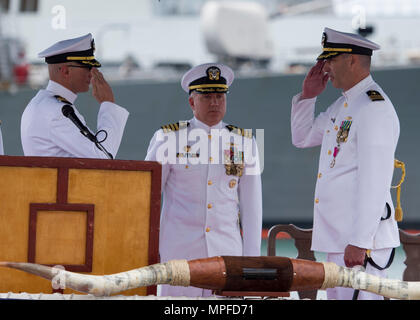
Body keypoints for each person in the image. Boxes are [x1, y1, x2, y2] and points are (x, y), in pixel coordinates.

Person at [291, 27, 400, 300]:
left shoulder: (374, 107)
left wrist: (360, 241)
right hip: (341, 238)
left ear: (351, 60)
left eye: (331, 60)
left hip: (361, 242)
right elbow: (302, 137)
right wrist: (308, 96)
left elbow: (375, 179)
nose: (326, 68)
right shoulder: (343, 106)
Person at [145, 63, 263, 297]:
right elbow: (147, 198)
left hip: (227, 254)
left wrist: (250, 263)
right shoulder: (168, 138)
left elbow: (252, 208)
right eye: (207, 97)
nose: (215, 103)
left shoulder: (245, 142)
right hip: (179, 254)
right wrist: (148, 252)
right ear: (192, 102)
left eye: (220, 96)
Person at [21, 33, 129, 159]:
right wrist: (108, 104)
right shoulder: (56, 112)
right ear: (66, 71)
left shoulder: (46, 104)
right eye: (87, 67)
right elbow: (103, 156)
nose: (92, 73)